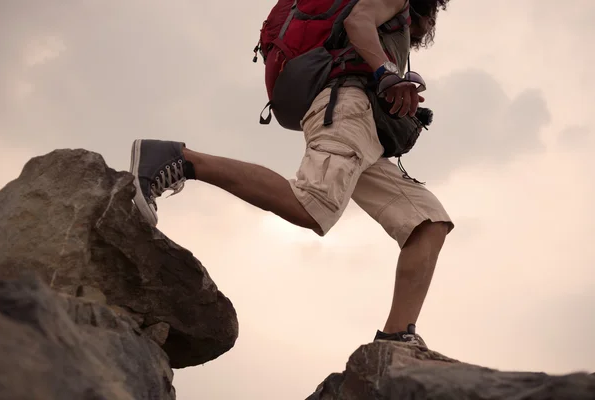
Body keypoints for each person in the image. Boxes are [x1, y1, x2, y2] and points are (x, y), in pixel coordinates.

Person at [129, 0, 453, 349]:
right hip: (347, 107)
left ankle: (396, 337)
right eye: (436, 13)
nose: (432, 24)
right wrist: (387, 74)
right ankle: (176, 158)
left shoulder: (394, 26)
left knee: (427, 221)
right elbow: (360, 21)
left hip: (364, 129)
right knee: (313, 204)